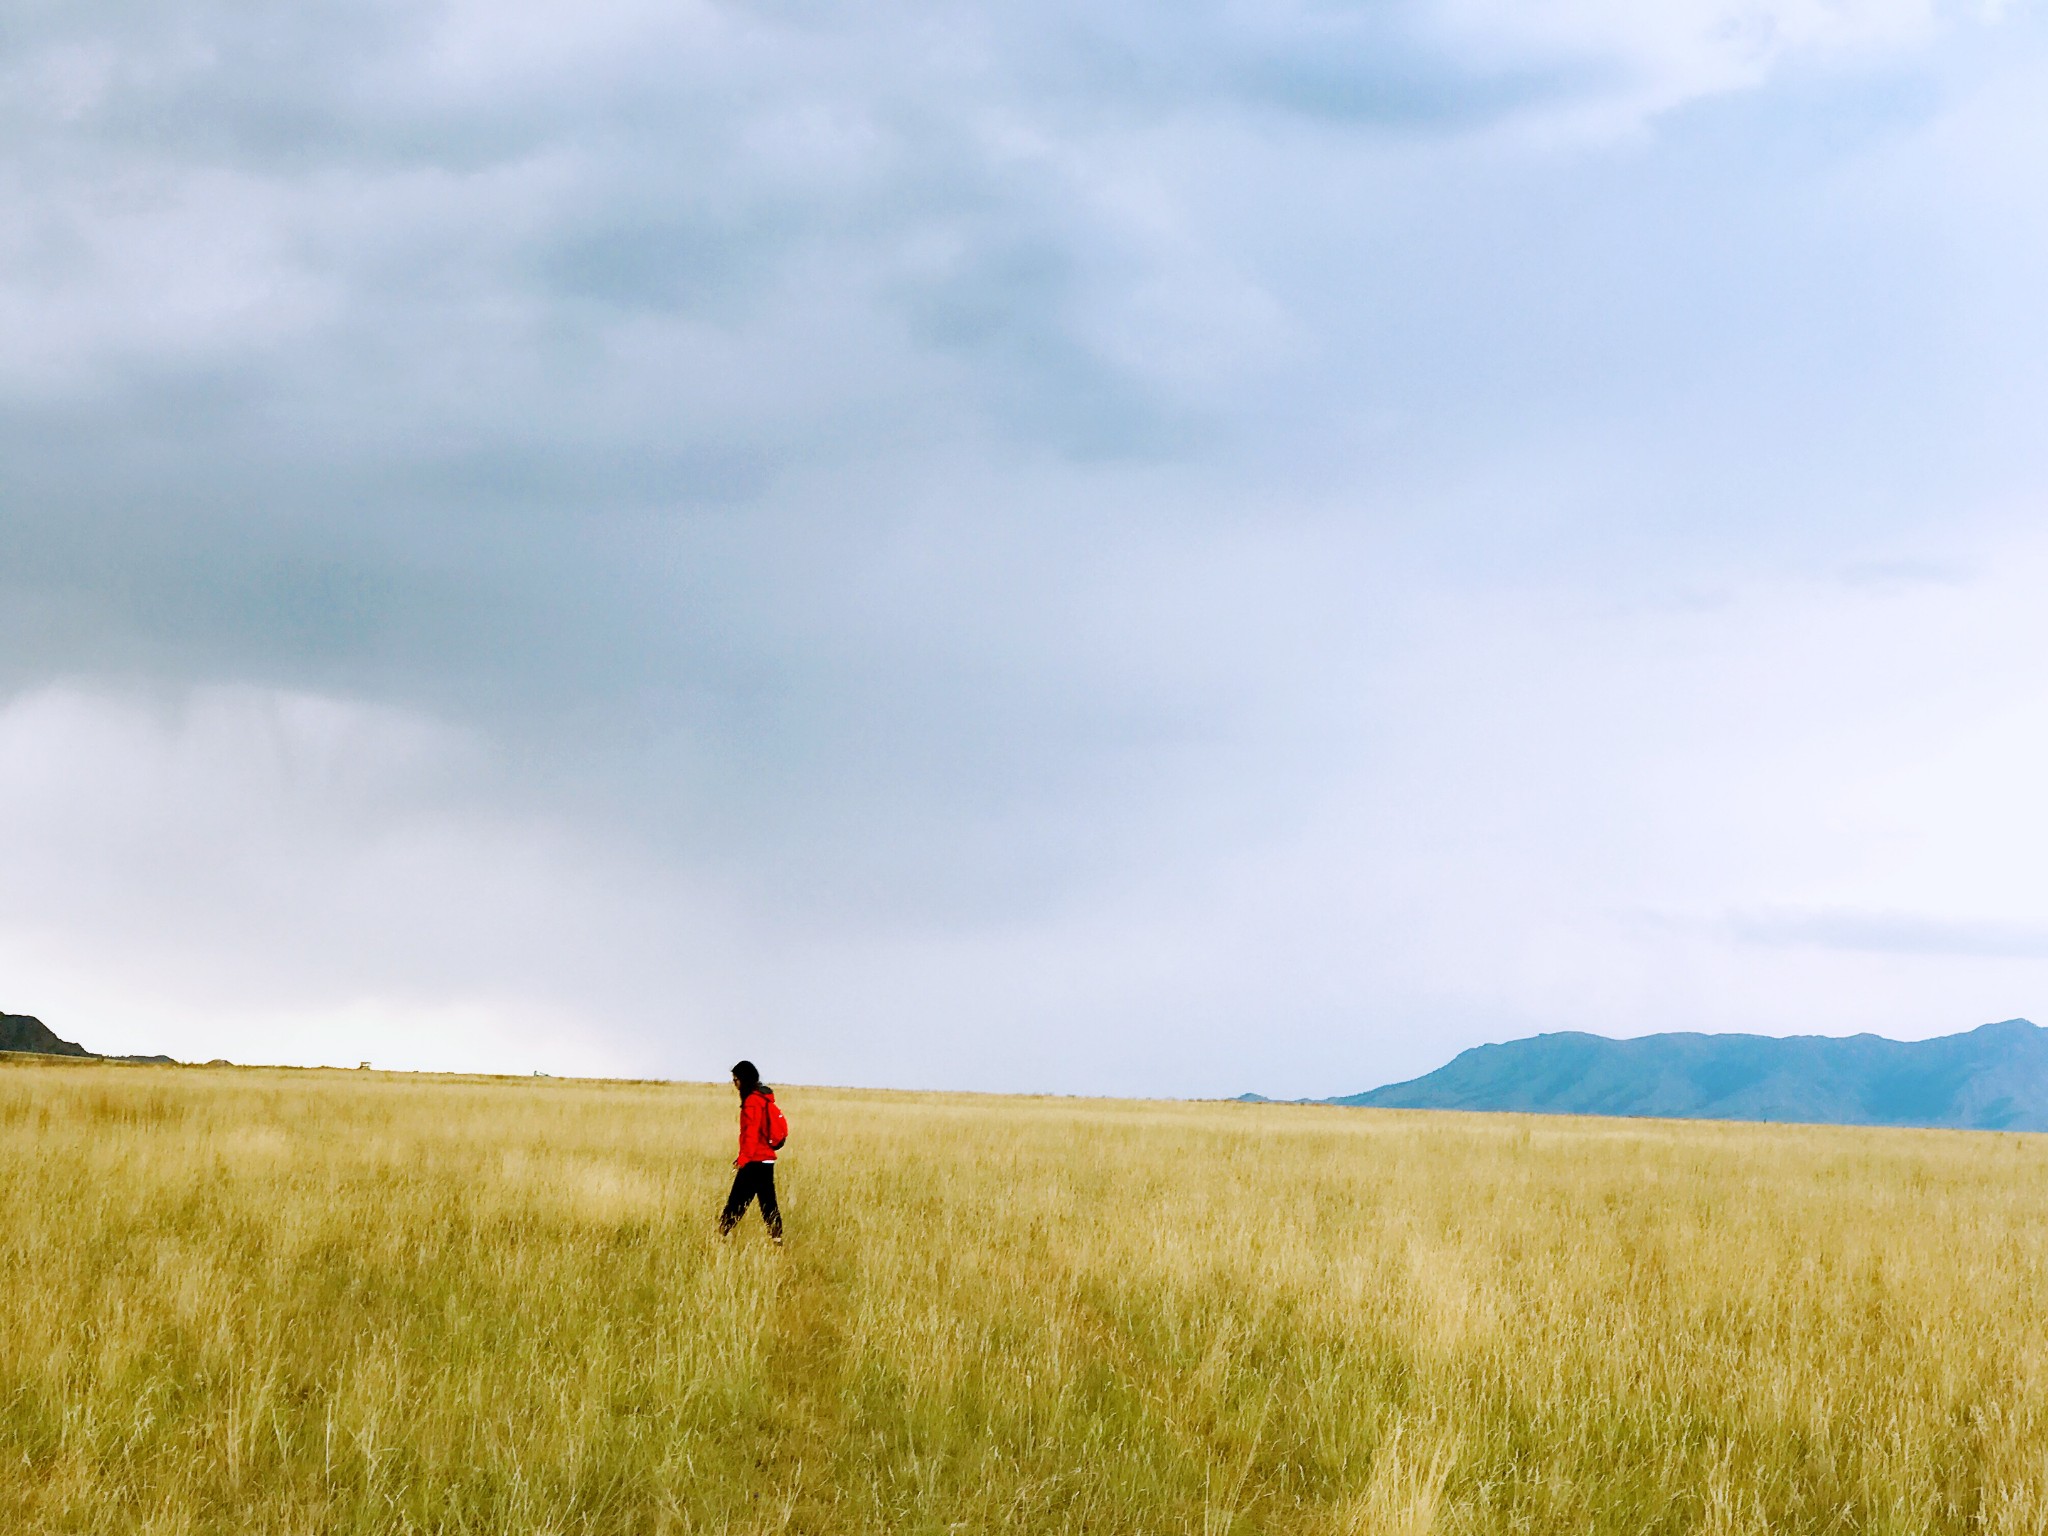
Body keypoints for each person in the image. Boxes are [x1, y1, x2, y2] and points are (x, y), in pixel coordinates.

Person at [718, 1059, 783, 1244]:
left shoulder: (752, 1102)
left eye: (736, 1079)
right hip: (766, 1160)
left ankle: (720, 1236)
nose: (734, 1083)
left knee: (736, 1201)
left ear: (743, 1079)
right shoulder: (763, 1097)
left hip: (755, 1160)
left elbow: (750, 1134)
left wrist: (742, 1159)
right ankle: (777, 1240)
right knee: (768, 1203)